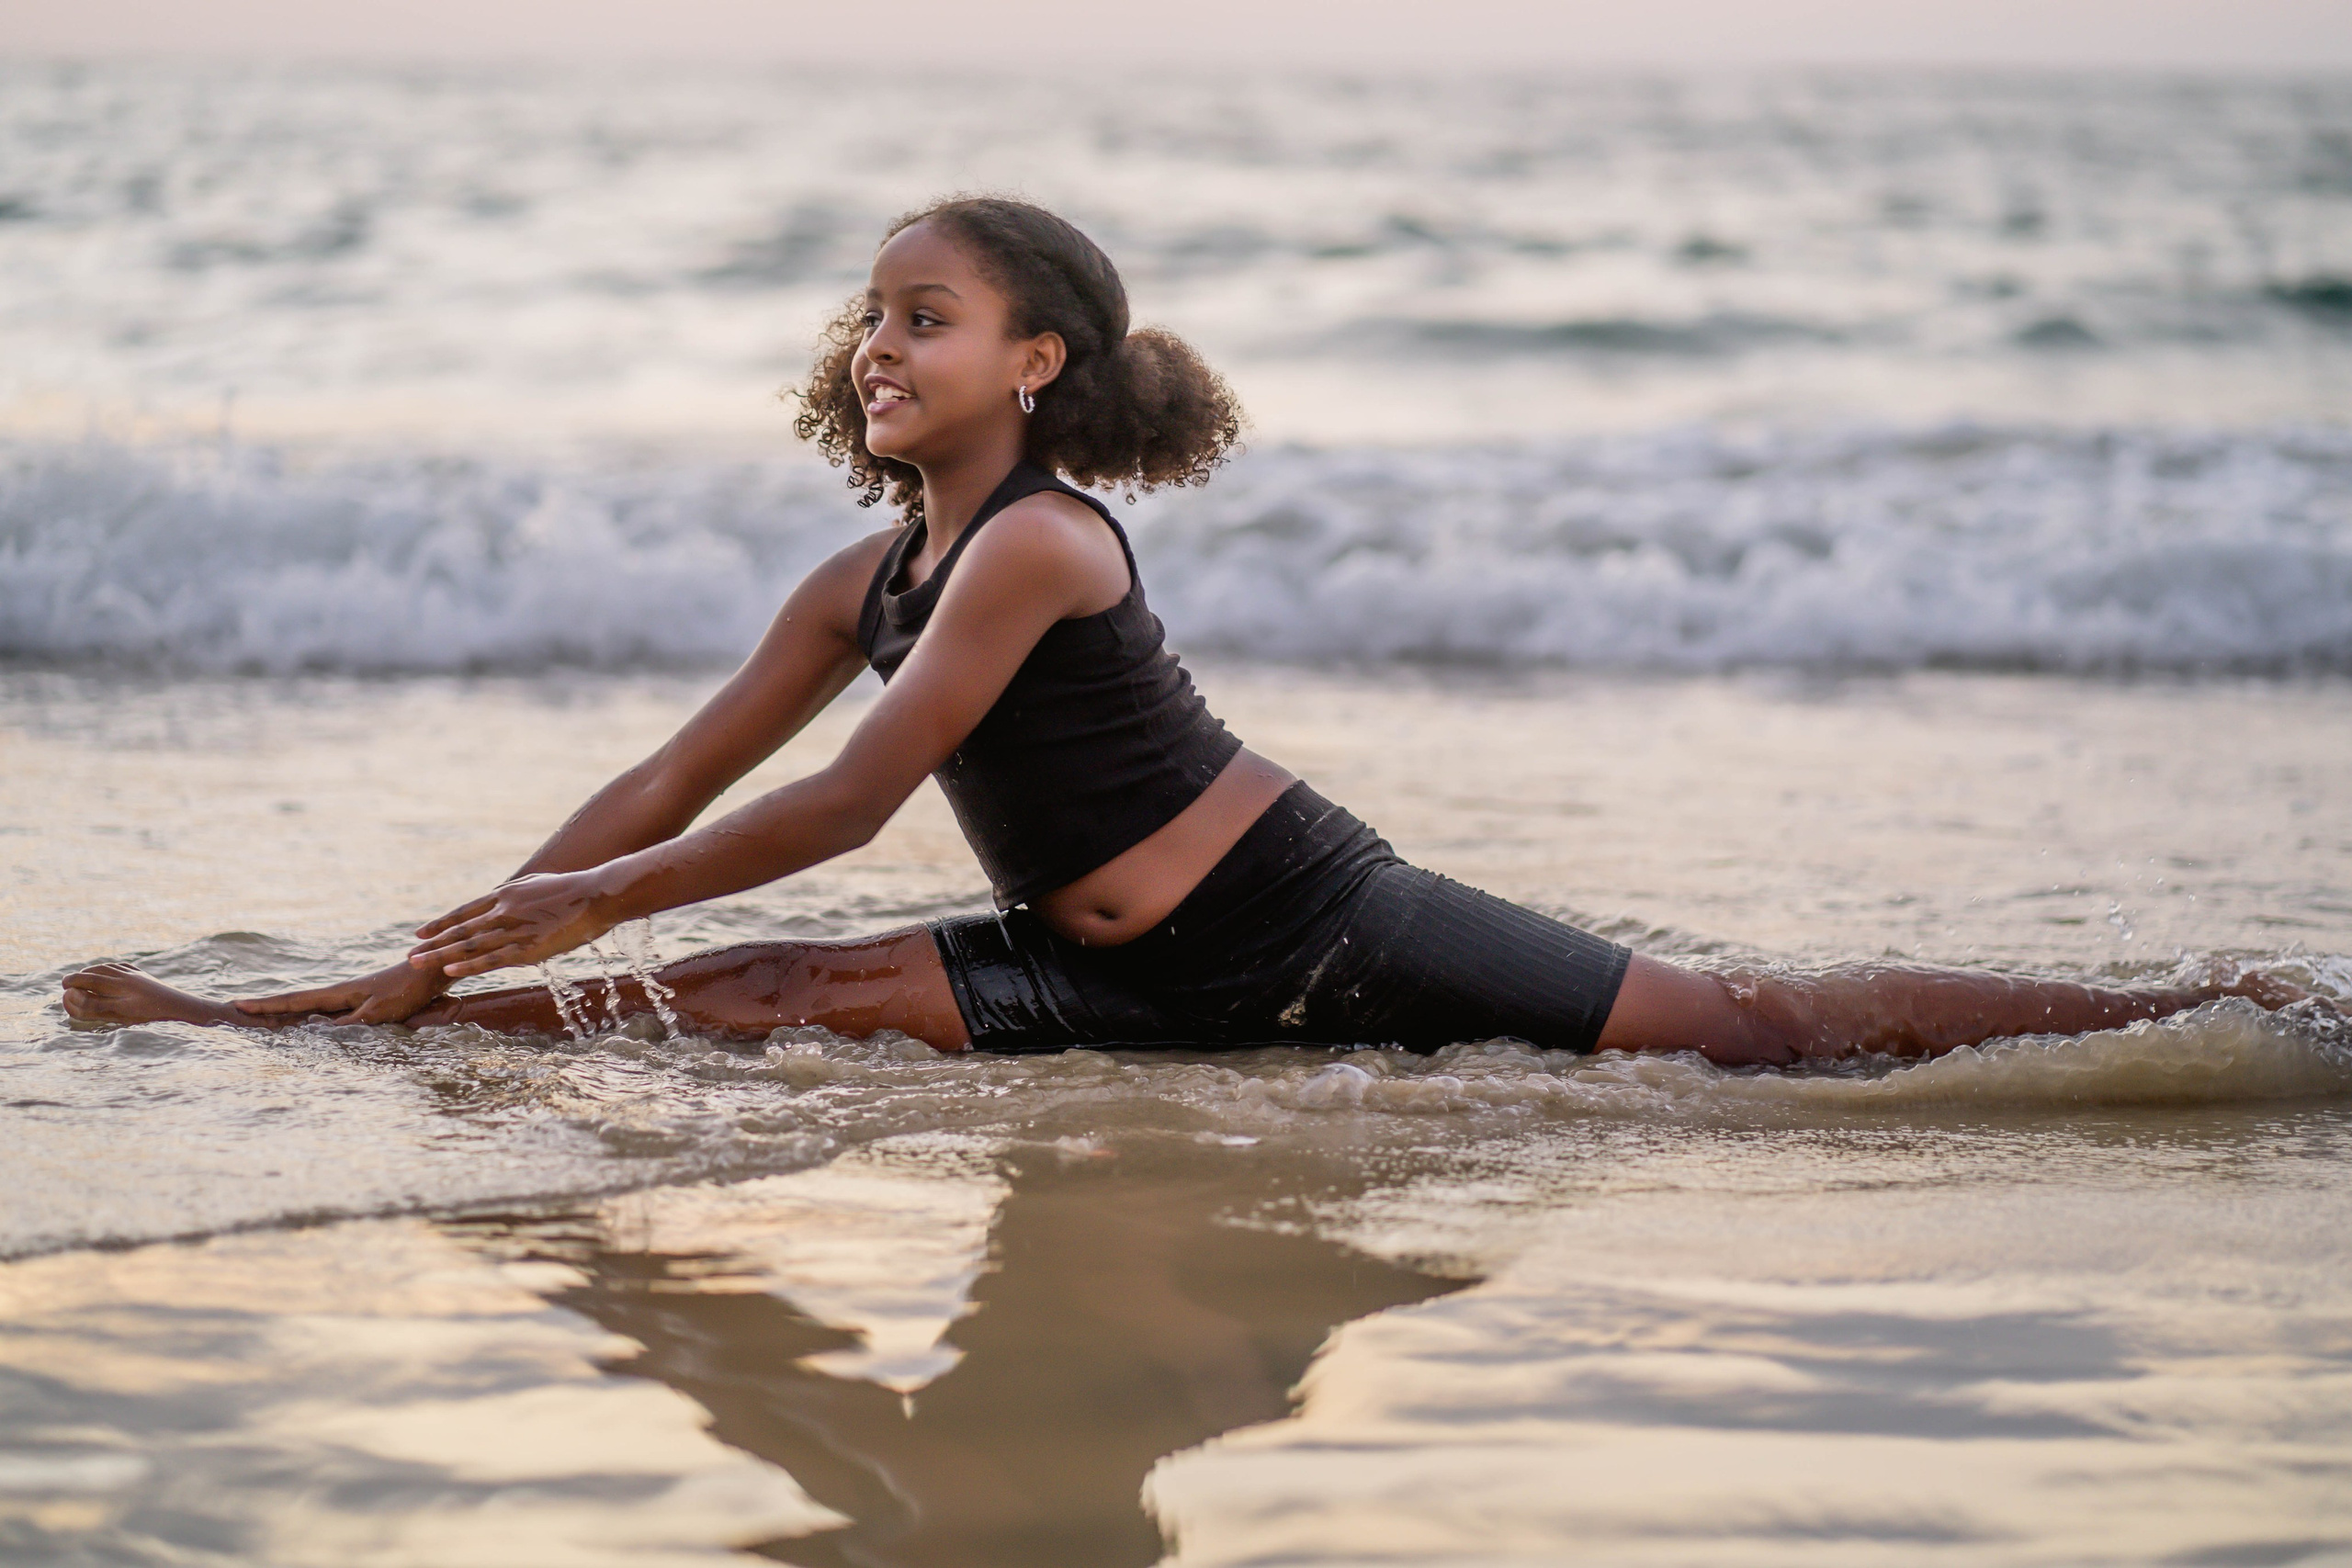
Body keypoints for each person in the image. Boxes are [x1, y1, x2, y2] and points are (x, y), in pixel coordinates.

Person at [60, 197, 2303, 1065]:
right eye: (868, 318)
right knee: (721, 993)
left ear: (1034, 363)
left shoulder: (1038, 544)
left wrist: (590, 890)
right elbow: (673, 780)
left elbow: (845, 799)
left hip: (1308, 922)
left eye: (923, 316)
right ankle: (333, 1026)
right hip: (1093, 959)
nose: (879, 344)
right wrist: (466, 925)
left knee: (1749, 1028)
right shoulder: (856, 576)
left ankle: (2228, 1005)